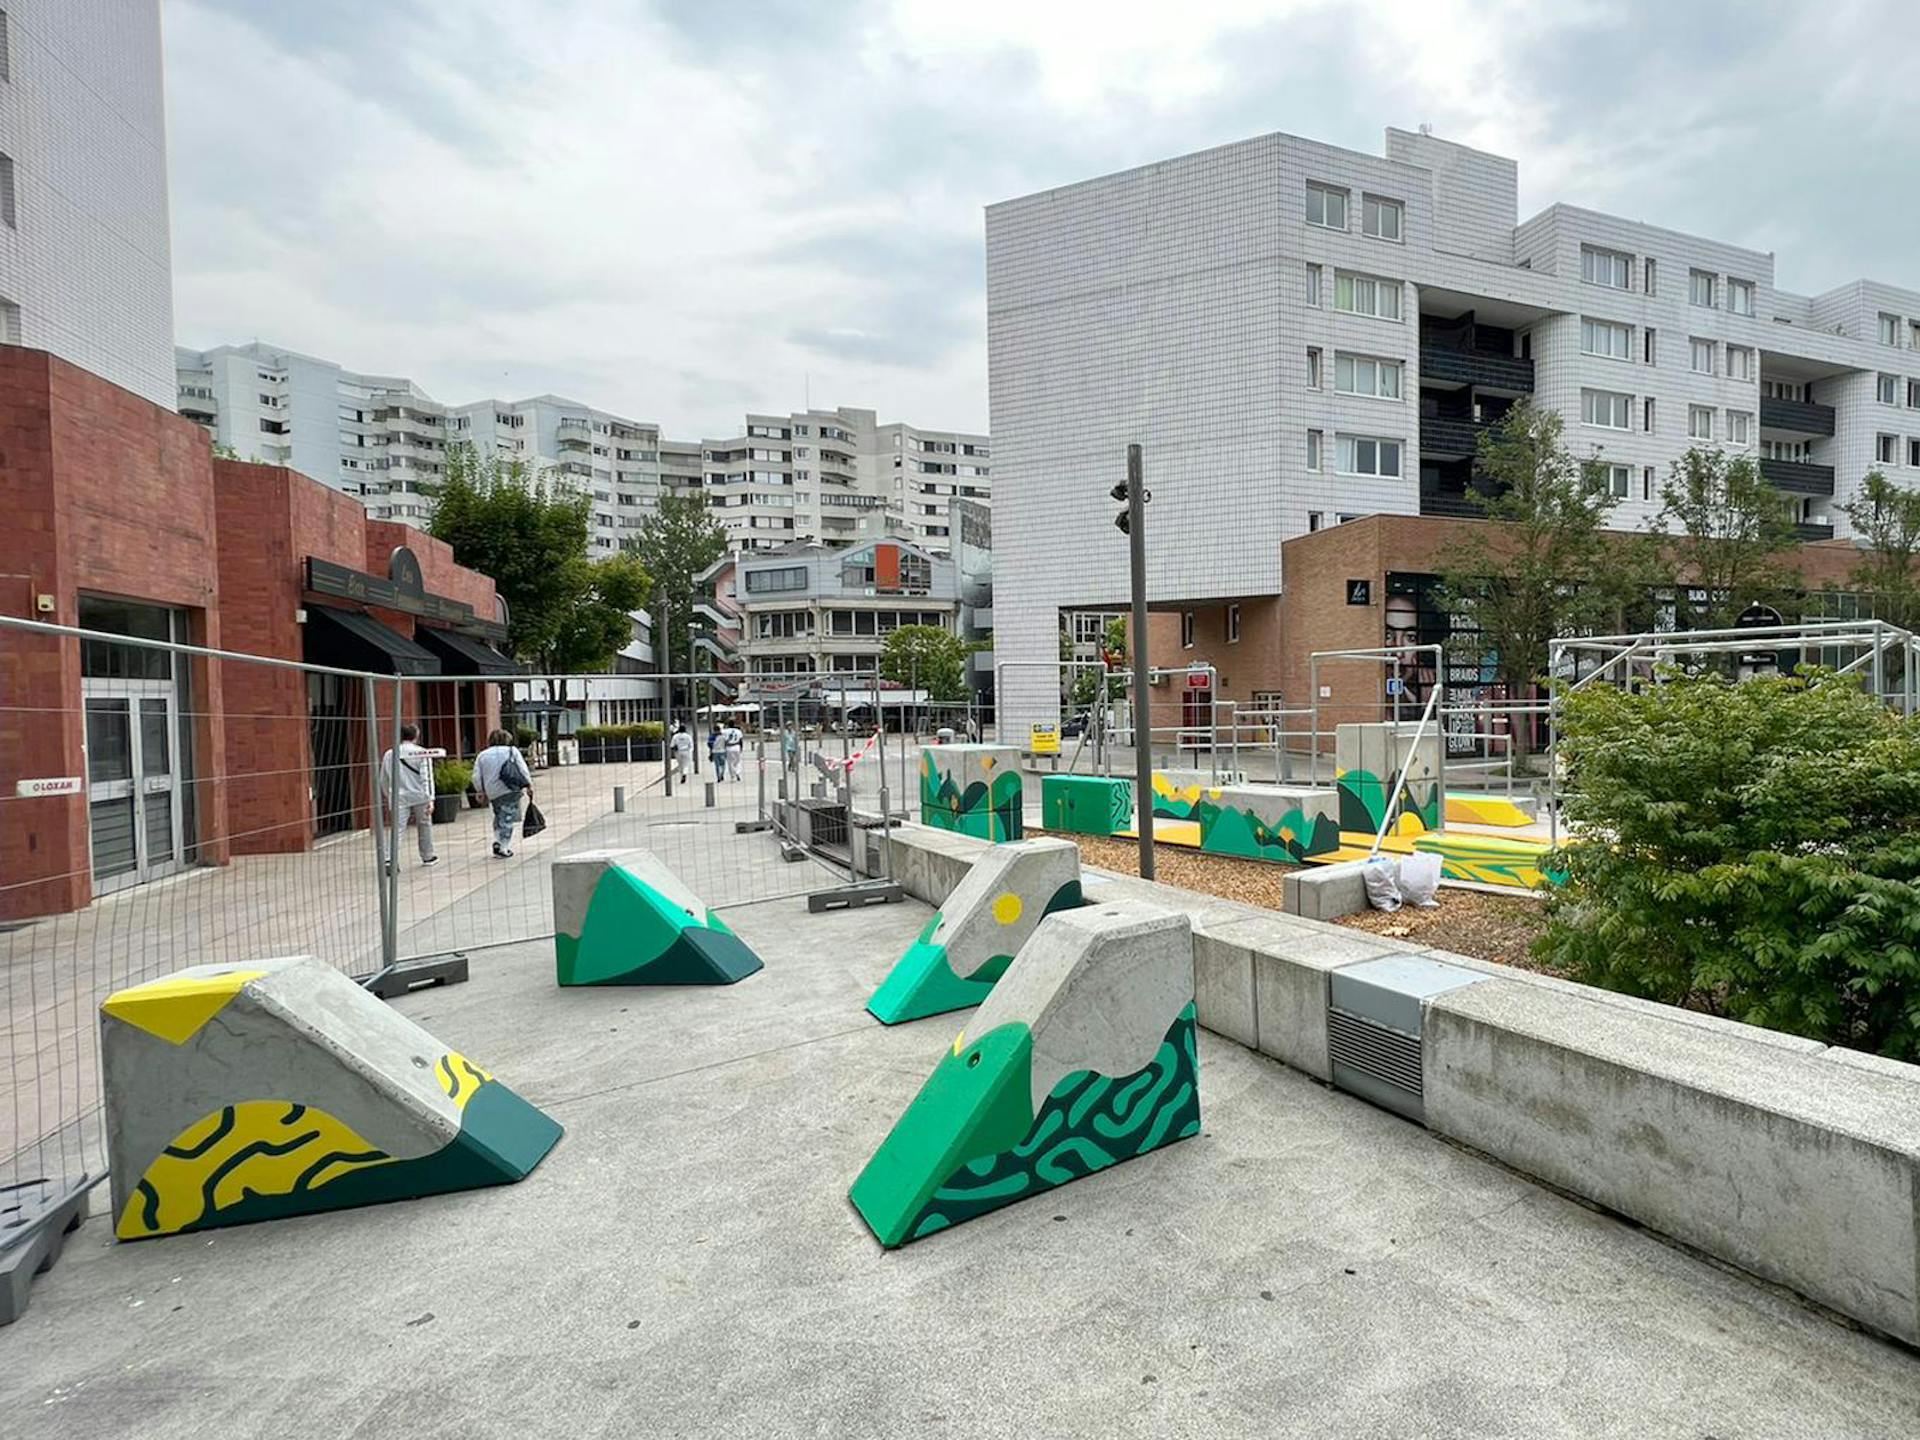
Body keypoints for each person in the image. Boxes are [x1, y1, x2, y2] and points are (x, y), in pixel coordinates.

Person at [376, 723, 438, 871]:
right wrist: (430, 798)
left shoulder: (389, 754)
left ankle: (390, 859)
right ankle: (427, 855)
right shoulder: (422, 753)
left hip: (398, 796)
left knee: (397, 828)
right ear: (416, 736)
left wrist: (388, 794)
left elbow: (383, 779)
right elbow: (426, 777)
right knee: (424, 825)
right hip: (420, 795)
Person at [473, 726, 533, 858]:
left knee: (498, 815)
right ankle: (502, 846)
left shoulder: (482, 755)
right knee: (507, 817)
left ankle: (497, 839)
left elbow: (476, 776)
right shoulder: (512, 751)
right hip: (510, 788)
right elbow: (523, 769)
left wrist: (480, 790)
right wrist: (529, 784)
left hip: (493, 791)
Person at [670, 720, 695, 784]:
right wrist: (691, 751)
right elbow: (691, 745)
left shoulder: (675, 736)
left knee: (680, 765)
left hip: (678, 752)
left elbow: (672, 745)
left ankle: (681, 776)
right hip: (686, 751)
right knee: (686, 765)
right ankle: (684, 774)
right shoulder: (688, 736)